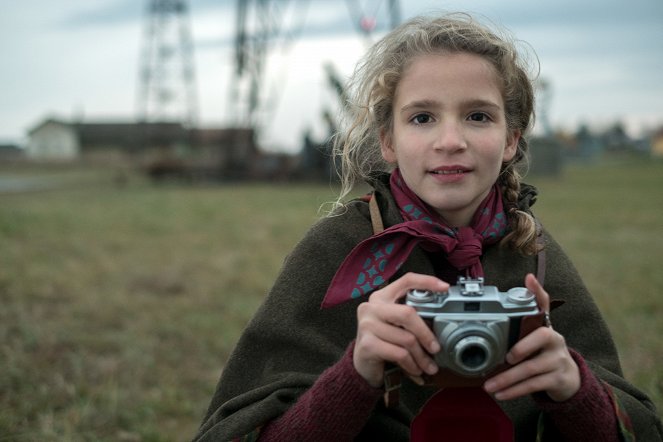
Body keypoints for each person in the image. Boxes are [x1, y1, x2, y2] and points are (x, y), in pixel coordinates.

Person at [194, 13, 662, 441]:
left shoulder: (531, 250)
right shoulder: (341, 247)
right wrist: (355, 376)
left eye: (478, 116)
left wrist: (574, 389)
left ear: (510, 140)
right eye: (422, 118)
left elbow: (636, 429)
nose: (451, 141)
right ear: (389, 141)